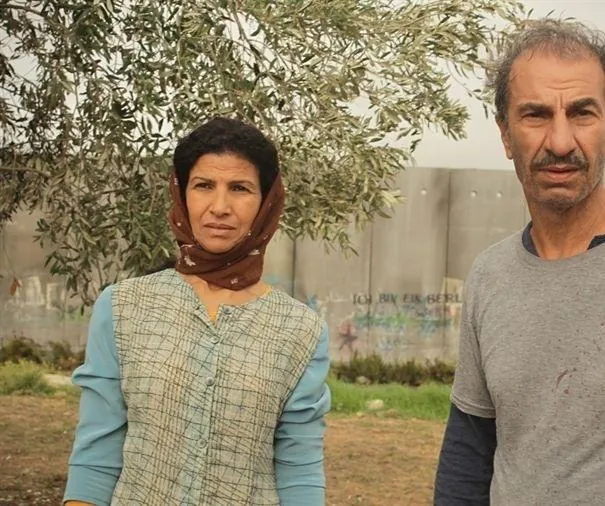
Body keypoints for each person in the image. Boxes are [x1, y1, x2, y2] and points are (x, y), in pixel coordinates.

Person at [63, 117, 331, 505]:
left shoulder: (300, 330)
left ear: (266, 202)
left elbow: (300, 468)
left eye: (239, 188)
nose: (219, 207)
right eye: (204, 185)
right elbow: (96, 454)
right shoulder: (123, 307)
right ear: (181, 193)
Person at [434, 18, 605, 505]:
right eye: (535, 115)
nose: (560, 142)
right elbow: (471, 446)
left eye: (582, 113)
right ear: (506, 135)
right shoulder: (491, 276)